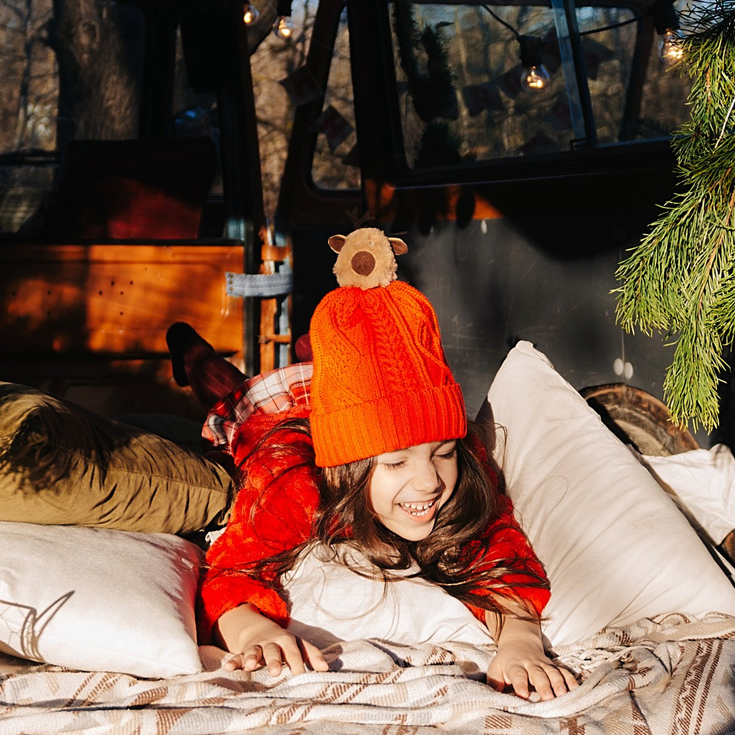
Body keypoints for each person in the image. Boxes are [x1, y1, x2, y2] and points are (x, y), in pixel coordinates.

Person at [197, 228, 578, 701]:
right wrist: (254, 633)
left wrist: (521, 643)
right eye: (396, 463)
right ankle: (193, 358)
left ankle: (304, 359)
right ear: (347, 470)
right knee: (227, 392)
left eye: (441, 453)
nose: (429, 480)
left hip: (356, 398)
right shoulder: (292, 478)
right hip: (273, 414)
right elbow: (231, 572)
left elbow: (501, 558)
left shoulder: (463, 467)